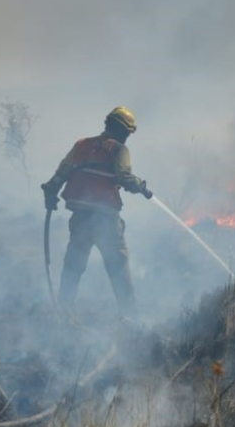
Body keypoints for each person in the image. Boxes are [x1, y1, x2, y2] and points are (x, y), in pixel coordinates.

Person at [41, 106, 152, 316]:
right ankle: (130, 317)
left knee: (73, 266)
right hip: (106, 220)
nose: (127, 137)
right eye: (127, 133)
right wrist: (141, 186)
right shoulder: (119, 150)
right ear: (122, 131)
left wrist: (51, 192)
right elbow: (124, 177)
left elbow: (61, 173)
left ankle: (63, 310)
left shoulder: (82, 145)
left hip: (80, 219)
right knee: (117, 268)